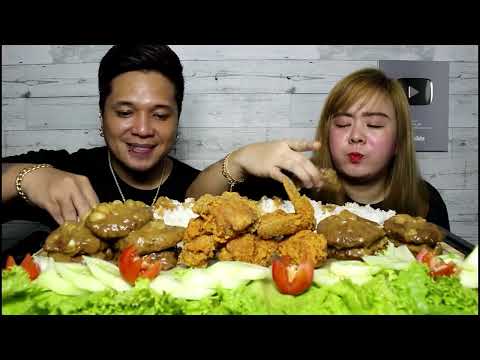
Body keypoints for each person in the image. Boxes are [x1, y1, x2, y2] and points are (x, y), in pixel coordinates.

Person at [186, 68, 450, 231]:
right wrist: (238, 160)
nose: (356, 136)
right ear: (326, 132)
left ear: (398, 142)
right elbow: (191, 203)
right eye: (343, 123)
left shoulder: (426, 201)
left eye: (374, 124)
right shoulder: (287, 187)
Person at [2, 45, 200, 255]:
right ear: (102, 116)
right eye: (125, 112)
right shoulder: (66, 171)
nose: (143, 130)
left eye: (160, 115)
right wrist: (23, 178)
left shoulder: (199, 190)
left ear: (177, 120)